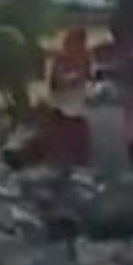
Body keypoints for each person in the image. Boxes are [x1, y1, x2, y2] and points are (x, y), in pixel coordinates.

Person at [41, 28, 93, 168]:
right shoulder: (60, 59)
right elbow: (58, 81)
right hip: (61, 110)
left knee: (78, 153)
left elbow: (87, 77)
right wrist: (75, 77)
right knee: (60, 150)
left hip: (77, 110)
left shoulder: (86, 57)